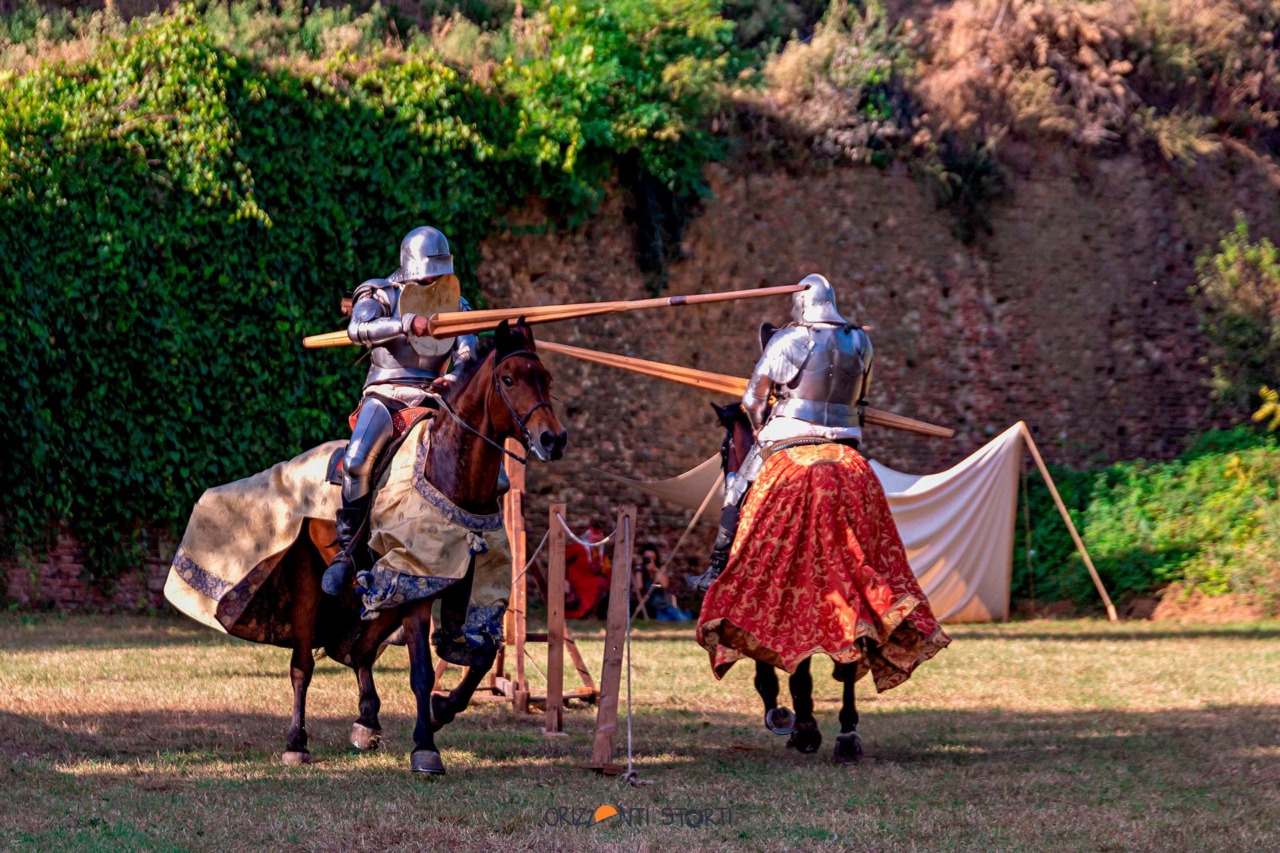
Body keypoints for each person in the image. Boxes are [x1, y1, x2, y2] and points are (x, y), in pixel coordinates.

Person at [688, 273, 872, 591]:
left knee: (736, 488)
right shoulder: (860, 340)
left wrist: (759, 427)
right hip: (846, 437)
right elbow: (862, 398)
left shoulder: (790, 339)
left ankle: (716, 570)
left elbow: (752, 400)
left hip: (791, 431)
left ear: (801, 302)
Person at [322, 226, 480, 596]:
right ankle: (349, 552)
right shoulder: (381, 292)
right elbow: (358, 328)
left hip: (436, 397)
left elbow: (467, 352)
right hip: (387, 391)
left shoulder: (456, 304)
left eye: (439, 273)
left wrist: (454, 377)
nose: (433, 281)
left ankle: (471, 547)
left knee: (488, 472)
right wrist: (406, 322)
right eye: (427, 273)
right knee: (357, 460)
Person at [634, 543, 693, 621]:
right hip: (656, 608)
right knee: (665, 622)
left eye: (651, 558)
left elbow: (665, 584)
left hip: (668, 605)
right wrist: (638, 567)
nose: (648, 560)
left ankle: (687, 613)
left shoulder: (660, 569)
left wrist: (654, 569)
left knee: (683, 620)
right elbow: (638, 587)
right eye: (647, 557)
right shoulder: (641, 572)